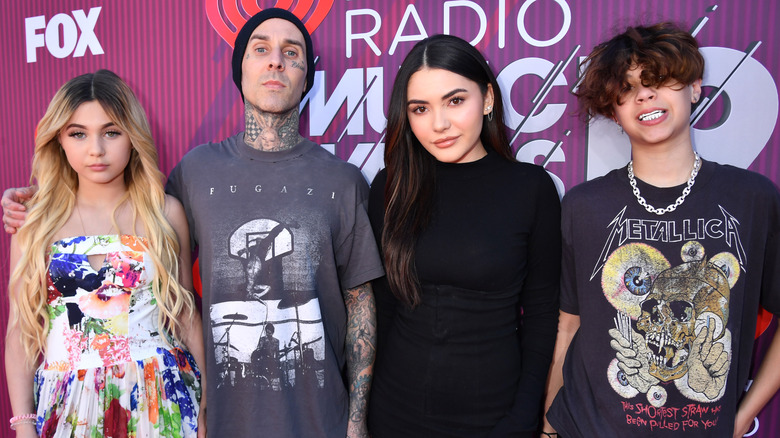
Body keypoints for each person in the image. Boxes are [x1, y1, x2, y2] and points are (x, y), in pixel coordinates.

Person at [2, 8, 384, 438]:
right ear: (239, 71)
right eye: (261, 49)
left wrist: (355, 422)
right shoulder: (196, 172)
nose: (275, 60)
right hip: (119, 408)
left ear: (307, 75)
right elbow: (25, 324)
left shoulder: (341, 180)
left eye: (290, 52)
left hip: (218, 409)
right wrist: (35, 201)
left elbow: (359, 302)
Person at [542, 22, 780, 438]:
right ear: (613, 110)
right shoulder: (583, 205)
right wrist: (548, 426)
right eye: (627, 88)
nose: (644, 95)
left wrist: (742, 415)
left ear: (695, 88)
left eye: (658, 80)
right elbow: (569, 324)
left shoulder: (752, 198)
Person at [367, 34, 561, 437]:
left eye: (455, 101)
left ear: (487, 98)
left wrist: (524, 417)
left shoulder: (530, 188)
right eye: (420, 108)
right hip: (394, 414)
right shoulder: (390, 187)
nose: (439, 124)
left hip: (494, 417)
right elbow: (381, 310)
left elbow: (543, 316)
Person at [4, 70, 206, 437]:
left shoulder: (163, 213)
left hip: (161, 399)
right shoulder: (35, 225)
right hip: (66, 405)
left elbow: (186, 313)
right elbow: (21, 332)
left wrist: (208, 403)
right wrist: (23, 424)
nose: (95, 149)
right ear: (59, 141)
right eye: (78, 133)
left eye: (111, 132)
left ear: (133, 136)